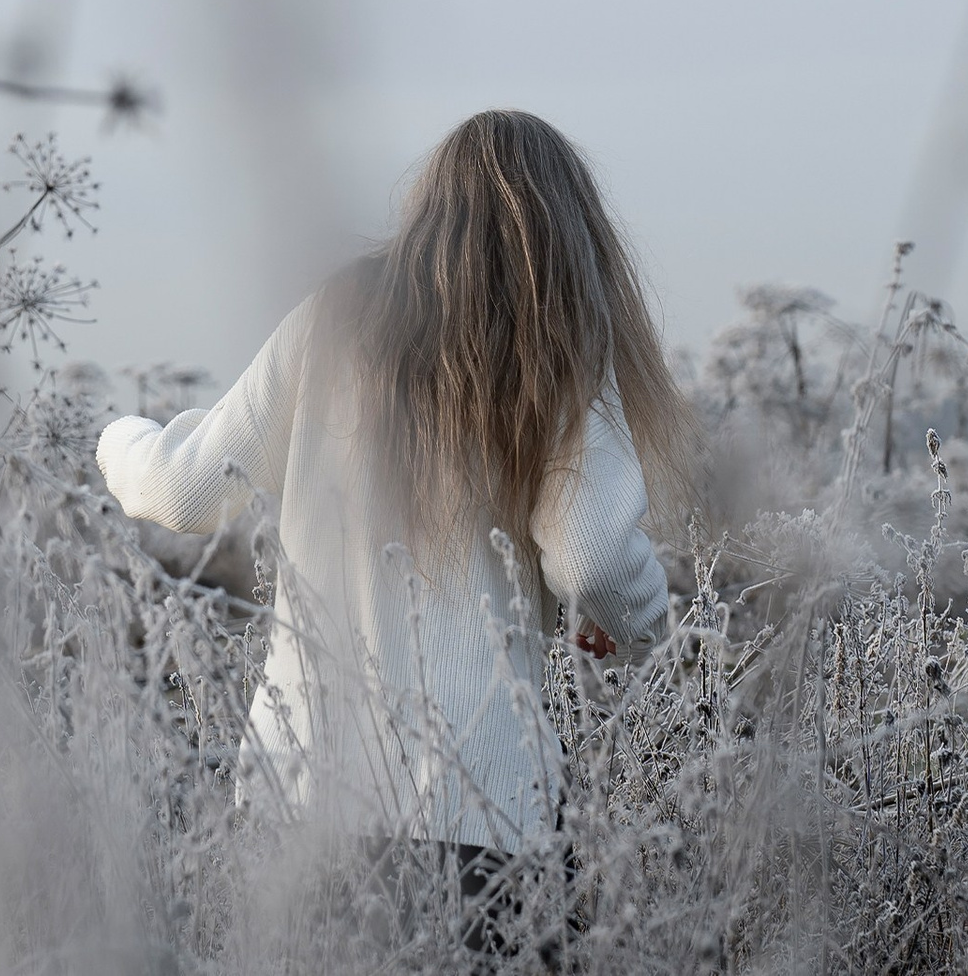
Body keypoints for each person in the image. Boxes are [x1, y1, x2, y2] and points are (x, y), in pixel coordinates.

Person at [95, 109, 696, 953]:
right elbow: (594, 559)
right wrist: (636, 626)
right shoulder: (556, 336)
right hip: (480, 821)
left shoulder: (337, 314)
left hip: (298, 811)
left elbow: (183, 491)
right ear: (571, 227)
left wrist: (115, 438)